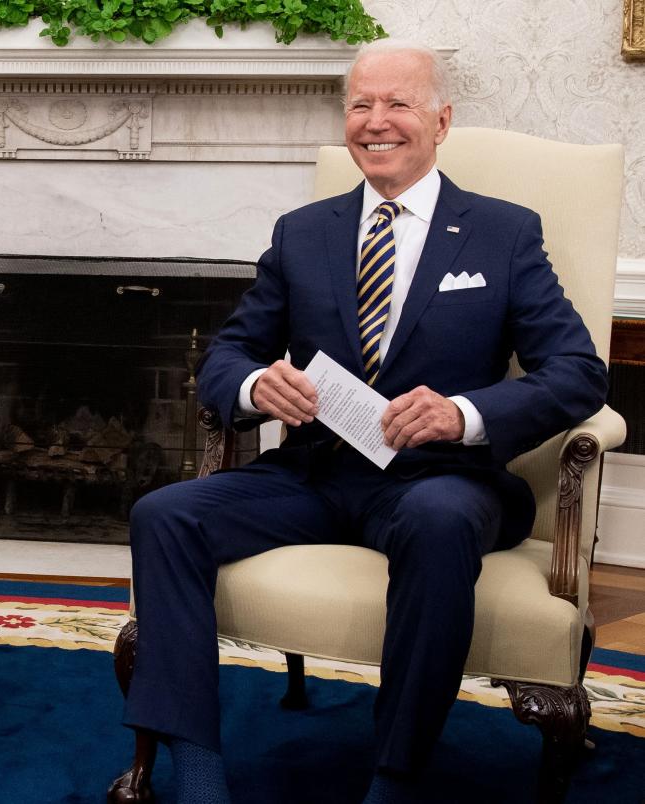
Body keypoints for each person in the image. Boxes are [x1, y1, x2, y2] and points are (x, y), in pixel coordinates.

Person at [122, 40, 607, 803]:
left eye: (398, 104)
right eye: (360, 104)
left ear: (441, 120)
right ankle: (199, 776)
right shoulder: (302, 231)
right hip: (317, 473)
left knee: (439, 521)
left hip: (442, 481)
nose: (376, 122)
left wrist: (464, 414)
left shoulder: (503, 234)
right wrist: (254, 386)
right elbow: (229, 355)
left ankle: (394, 775)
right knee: (164, 514)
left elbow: (578, 372)